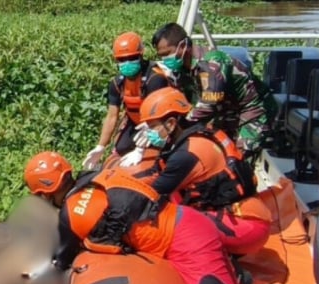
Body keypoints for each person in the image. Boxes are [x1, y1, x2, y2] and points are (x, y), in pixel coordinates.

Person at [23, 151, 319, 284]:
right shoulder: (102, 176)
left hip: (187, 245)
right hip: (189, 223)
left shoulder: (69, 215)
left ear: (44, 193)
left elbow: (60, 261)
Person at [134, 87, 271, 257]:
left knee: (170, 225)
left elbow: (152, 194)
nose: (148, 132)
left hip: (246, 225)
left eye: (151, 127)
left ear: (170, 124)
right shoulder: (200, 131)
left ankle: (229, 271)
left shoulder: (186, 155)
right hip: (248, 213)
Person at [150, 23, 277, 154]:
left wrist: (176, 126)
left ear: (183, 46)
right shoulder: (182, 69)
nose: (165, 60)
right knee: (214, 150)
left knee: (238, 158)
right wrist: (158, 123)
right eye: (161, 56)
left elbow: (210, 102)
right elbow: (183, 100)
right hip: (227, 112)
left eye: (167, 54)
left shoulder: (212, 63)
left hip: (254, 110)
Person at [82, 31, 170, 170]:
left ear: (141, 55)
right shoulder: (117, 83)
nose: (127, 62)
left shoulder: (155, 78)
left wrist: (140, 149)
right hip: (134, 122)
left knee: (158, 153)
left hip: (158, 122)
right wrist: (100, 147)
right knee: (121, 149)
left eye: (132, 57)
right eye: (122, 60)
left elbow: (159, 115)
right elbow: (112, 116)